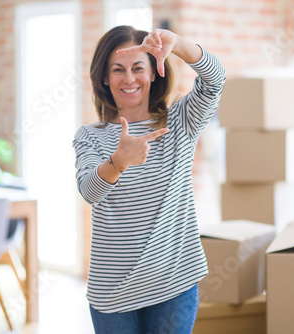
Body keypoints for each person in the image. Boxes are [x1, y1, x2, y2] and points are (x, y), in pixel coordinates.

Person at [73, 25, 225, 333]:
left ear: (154, 72)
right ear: (104, 77)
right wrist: (118, 162)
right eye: (118, 70)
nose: (129, 79)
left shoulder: (181, 119)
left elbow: (215, 80)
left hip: (174, 281)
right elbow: (89, 191)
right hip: (112, 292)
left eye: (138, 68)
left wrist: (179, 44)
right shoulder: (90, 137)